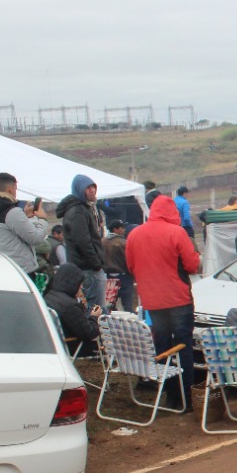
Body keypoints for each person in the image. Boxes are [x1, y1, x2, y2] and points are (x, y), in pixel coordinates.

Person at [126, 193, 202, 412]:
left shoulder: (134, 234)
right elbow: (192, 266)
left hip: (152, 301)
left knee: (162, 346)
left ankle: (170, 396)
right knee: (183, 347)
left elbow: (131, 267)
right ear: (172, 212)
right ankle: (187, 398)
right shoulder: (177, 233)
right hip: (178, 299)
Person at [0, 172, 49, 274]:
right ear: (10, 189)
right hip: (20, 268)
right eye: (15, 189)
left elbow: (2, 230)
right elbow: (35, 238)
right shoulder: (11, 212)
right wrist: (42, 219)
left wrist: (23, 215)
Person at [57, 174, 108, 311]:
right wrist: (96, 264)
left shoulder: (83, 209)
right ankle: (95, 332)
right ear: (79, 190)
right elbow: (83, 242)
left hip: (87, 267)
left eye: (93, 187)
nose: (92, 190)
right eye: (87, 188)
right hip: (88, 268)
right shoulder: (77, 212)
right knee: (96, 308)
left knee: (95, 307)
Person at [43, 263, 101, 356]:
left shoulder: (49, 296)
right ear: (72, 283)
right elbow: (89, 333)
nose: (81, 287)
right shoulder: (70, 306)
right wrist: (95, 317)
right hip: (73, 347)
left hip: (56, 343)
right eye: (79, 283)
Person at [102, 220, 137, 312]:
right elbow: (129, 261)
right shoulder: (124, 243)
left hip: (108, 277)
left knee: (110, 306)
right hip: (124, 276)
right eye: (122, 227)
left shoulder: (102, 242)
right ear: (116, 229)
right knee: (128, 306)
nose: (124, 229)